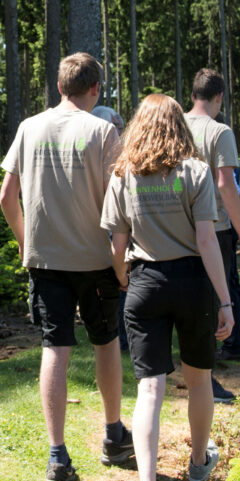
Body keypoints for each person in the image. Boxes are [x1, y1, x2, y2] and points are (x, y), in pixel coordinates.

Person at [0, 52, 132, 481]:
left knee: (54, 347)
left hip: (46, 260)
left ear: (59, 87)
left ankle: (57, 456)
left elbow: (6, 197)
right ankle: (113, 435)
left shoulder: (28, 127)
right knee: (106, 341)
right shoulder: (104, 131)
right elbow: (121, 202)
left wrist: (25, 241)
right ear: (95, 89)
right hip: (96, 260)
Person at [101, 94, 233, 481]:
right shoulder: (194, 172)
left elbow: (116, 245)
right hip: (193, 283)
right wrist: (225, 301)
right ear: (180, 126)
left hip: (144, 284)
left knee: (149, 389)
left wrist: (125, 279)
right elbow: (207, 240)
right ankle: (197, 465)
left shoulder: (124, 174)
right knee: (199, 380)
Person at [184, 68, 240, 398]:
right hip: (215, 227)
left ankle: (194, 371)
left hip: (176, 226)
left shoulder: (175, 125)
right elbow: (226, 185)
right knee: (213, 301)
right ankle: (205, 378)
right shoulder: (219, 131)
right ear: (219, 97)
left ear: (192, 93)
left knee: (189, 301)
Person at [91, 105, 131, 353]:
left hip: (118, 226)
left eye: (120, 127)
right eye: (114, 127)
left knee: (122, 279)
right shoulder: (96, 153)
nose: (119, 132)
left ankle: (123, 337)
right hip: (101, 227)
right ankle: (115, 336)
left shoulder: (122, 154)